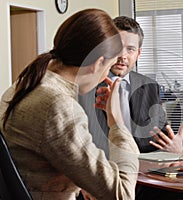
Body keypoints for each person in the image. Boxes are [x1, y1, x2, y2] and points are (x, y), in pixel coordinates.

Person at [0, 9, 139, 200]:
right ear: (98, 63)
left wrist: (82, 182)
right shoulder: (58, 106)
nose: (105, 76)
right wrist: (117, 123)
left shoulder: (26, 82)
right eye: (108, 68)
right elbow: (122, 194)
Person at [79, 16, 183, 200]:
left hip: (143, 181)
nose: (123, 56)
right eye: (118, 48)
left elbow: (158, 140)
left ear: (139, 53)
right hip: (100, 182)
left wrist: (175, 150)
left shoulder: (149, 86)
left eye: (131, 49)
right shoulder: (85, 86)